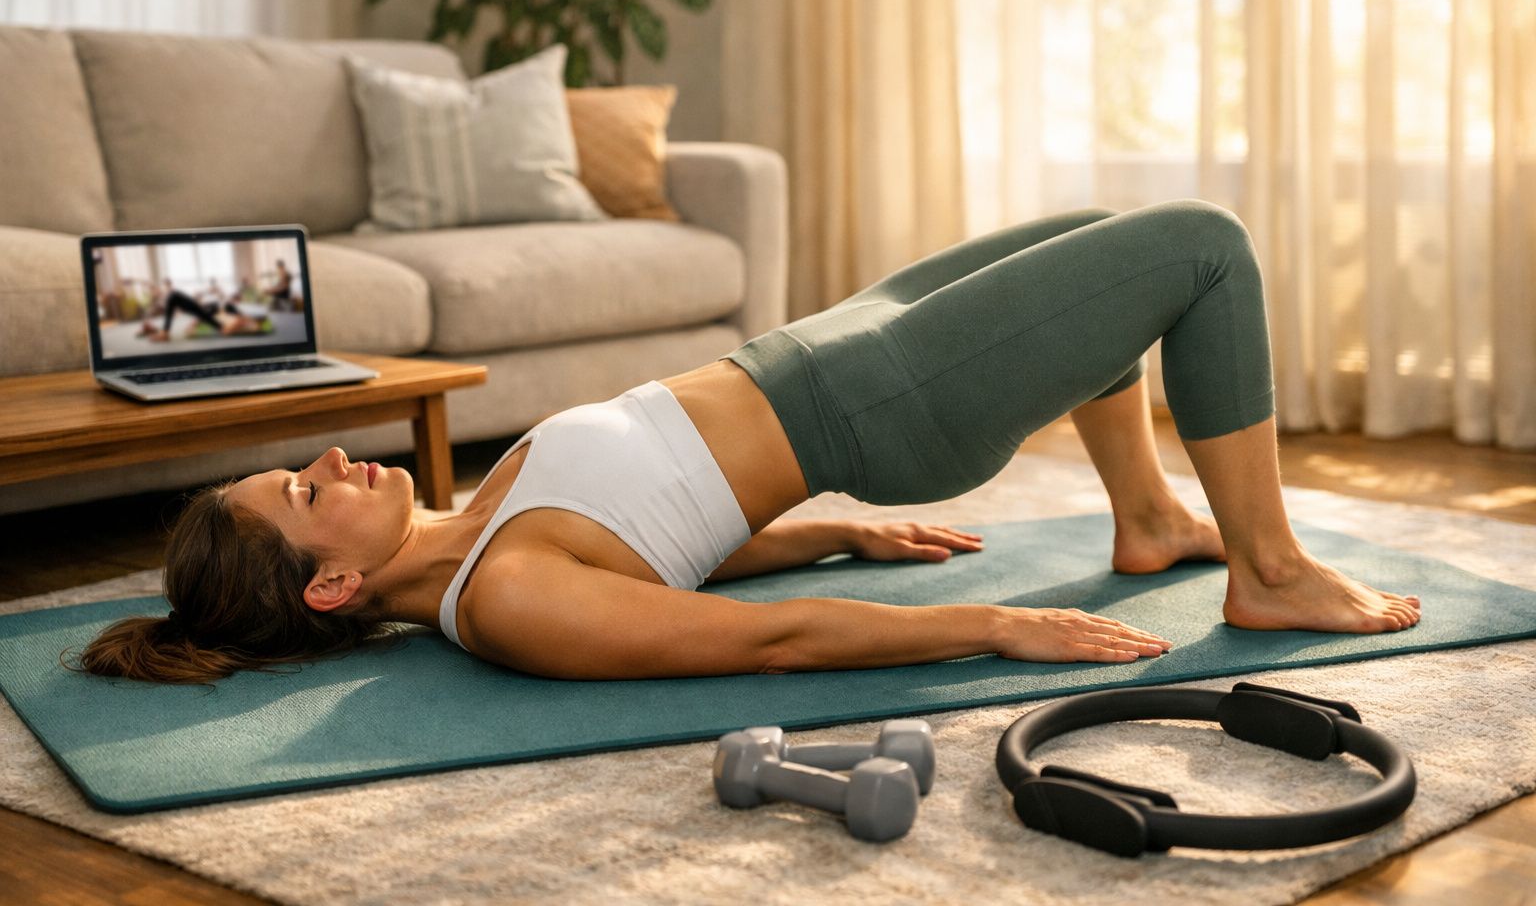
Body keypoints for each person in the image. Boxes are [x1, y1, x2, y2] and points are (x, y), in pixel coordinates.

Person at [68, 200, 1420, 687]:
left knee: (1094, 234)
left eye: (306, 462)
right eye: (310, 494)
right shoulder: (511, 598)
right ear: (331, 587)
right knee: (1200, 247)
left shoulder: (476, 523)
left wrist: (826, 532)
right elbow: (761, 645)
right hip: (876, 402)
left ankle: (1151, 516)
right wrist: (993, 627)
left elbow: (671, 541)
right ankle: (1271, 566)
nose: (339, 462)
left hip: (832, 340)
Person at [137, 284, 267, 342]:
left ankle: (163, 332)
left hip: (215, 321)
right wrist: (195, 323)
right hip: (207, 312)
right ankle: (161, 331)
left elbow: (227, 330)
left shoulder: (238, 319)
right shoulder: (233, 312)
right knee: (173, 296)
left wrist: (243, 320)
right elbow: (215, 311)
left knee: (173, 296)